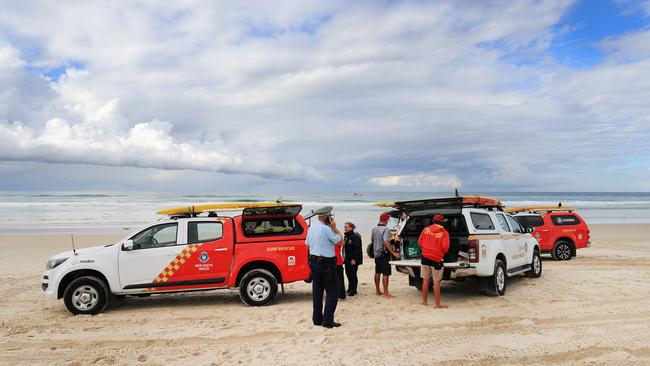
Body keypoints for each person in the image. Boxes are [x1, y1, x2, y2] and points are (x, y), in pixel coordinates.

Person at [305, 206, 343, 328]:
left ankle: (317, 319)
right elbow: (340, 241)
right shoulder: (327, 229)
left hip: (314, 261)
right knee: (333, 292)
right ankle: (327, 320)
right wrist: (335, 228)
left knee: (317, 291)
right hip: (327, 263)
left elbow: (307, 245)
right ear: (327, 217)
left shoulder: (311, 228)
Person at [418, 214, 450, 308]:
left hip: (424, 257)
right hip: (437, 259)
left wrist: (425, 249)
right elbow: (445, 247)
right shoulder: (444, 232)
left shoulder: (426, 229)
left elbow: (419, 242)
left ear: (433, 221)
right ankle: (437, 304)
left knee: (425, 279)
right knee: (436, 282)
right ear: (442, 222)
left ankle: (424, 302)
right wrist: (442, 252)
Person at [372, 212, 400, 298]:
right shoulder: (386, 229)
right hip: (384, 253)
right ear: (386, 220)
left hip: (376, 253)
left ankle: (377, 290)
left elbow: (372, 241)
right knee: (385, 273)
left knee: (377, 271)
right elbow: (386, 242)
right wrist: (394, 253)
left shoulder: (374, 229)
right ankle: (386, 293)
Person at [343, 222, 362, 296]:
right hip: (347, 258)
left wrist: (354, 259)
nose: (345, 228)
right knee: (348, 273)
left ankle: (353, 290)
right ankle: (350, 288)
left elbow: (357, 249)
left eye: (346, 227)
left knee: (353, 274)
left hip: (353, 259)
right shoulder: (347, 236)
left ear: (351, 228)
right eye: (344, 227)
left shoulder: (355, 236)